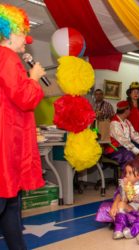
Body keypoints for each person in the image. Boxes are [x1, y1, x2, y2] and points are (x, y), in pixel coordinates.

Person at [0, 4, 46, 250]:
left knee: (11, 203)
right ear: (10, 33)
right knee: (6, 202)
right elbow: (24, 98)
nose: (27, 40)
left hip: (9, 139)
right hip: (7, 142)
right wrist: (34, 78)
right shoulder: (7, 58)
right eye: (22, 33)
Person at [111, 158, 139, 239]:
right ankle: (120, 228)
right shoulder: (127, 185)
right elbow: (124, 200)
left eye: (130, 173)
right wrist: (124, 187)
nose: (126, 175)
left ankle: (136, 228)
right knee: (121, 204)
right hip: (132, 207)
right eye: (126, 172)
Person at [104, 101, 139, 167]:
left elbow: (134, 135)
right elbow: (123, 141)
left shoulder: (127, 121)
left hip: (125, 147)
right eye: (129, 109)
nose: (130, 111)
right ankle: (128, 176)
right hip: (114, 149)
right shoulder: (114, 123)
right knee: (130, 156)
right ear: (126, 111)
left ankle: (137, 175)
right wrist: (138, 152)